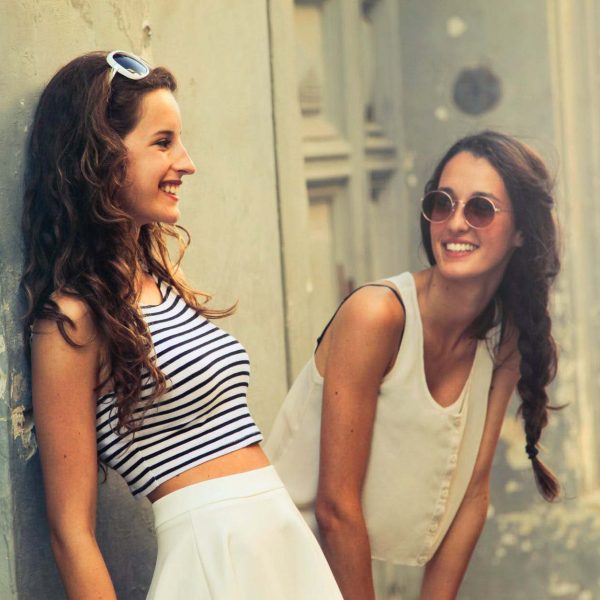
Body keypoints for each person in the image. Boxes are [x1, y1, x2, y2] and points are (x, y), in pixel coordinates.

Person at [22, 50, 342, 600]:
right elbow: (70, 533)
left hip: (280, 542)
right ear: (98, 157)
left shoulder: (162, 281)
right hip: (210, 558)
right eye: (163, 142)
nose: (187, 163)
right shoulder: (71, 322)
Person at [266, 131, 560, 600]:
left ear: (521, 232)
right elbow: (336, 508)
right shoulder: (377, 315)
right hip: (274, 568)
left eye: (480, 209)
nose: (456, 223)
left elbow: (473, 494)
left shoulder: (505, 339)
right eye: (442, 204)